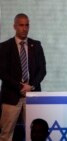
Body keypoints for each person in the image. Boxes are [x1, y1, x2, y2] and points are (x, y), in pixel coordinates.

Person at [0, 13, 46, 141]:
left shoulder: (36, 45)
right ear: (14, 26)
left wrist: (31, 86)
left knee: (35, 134)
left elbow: (42, 70)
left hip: (32, 95)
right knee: (6, 134)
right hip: (11, 97)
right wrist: (20, 87)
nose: (24, 28)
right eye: (21, 25)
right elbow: (2, 72)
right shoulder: (4, 47)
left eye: (27, 25)